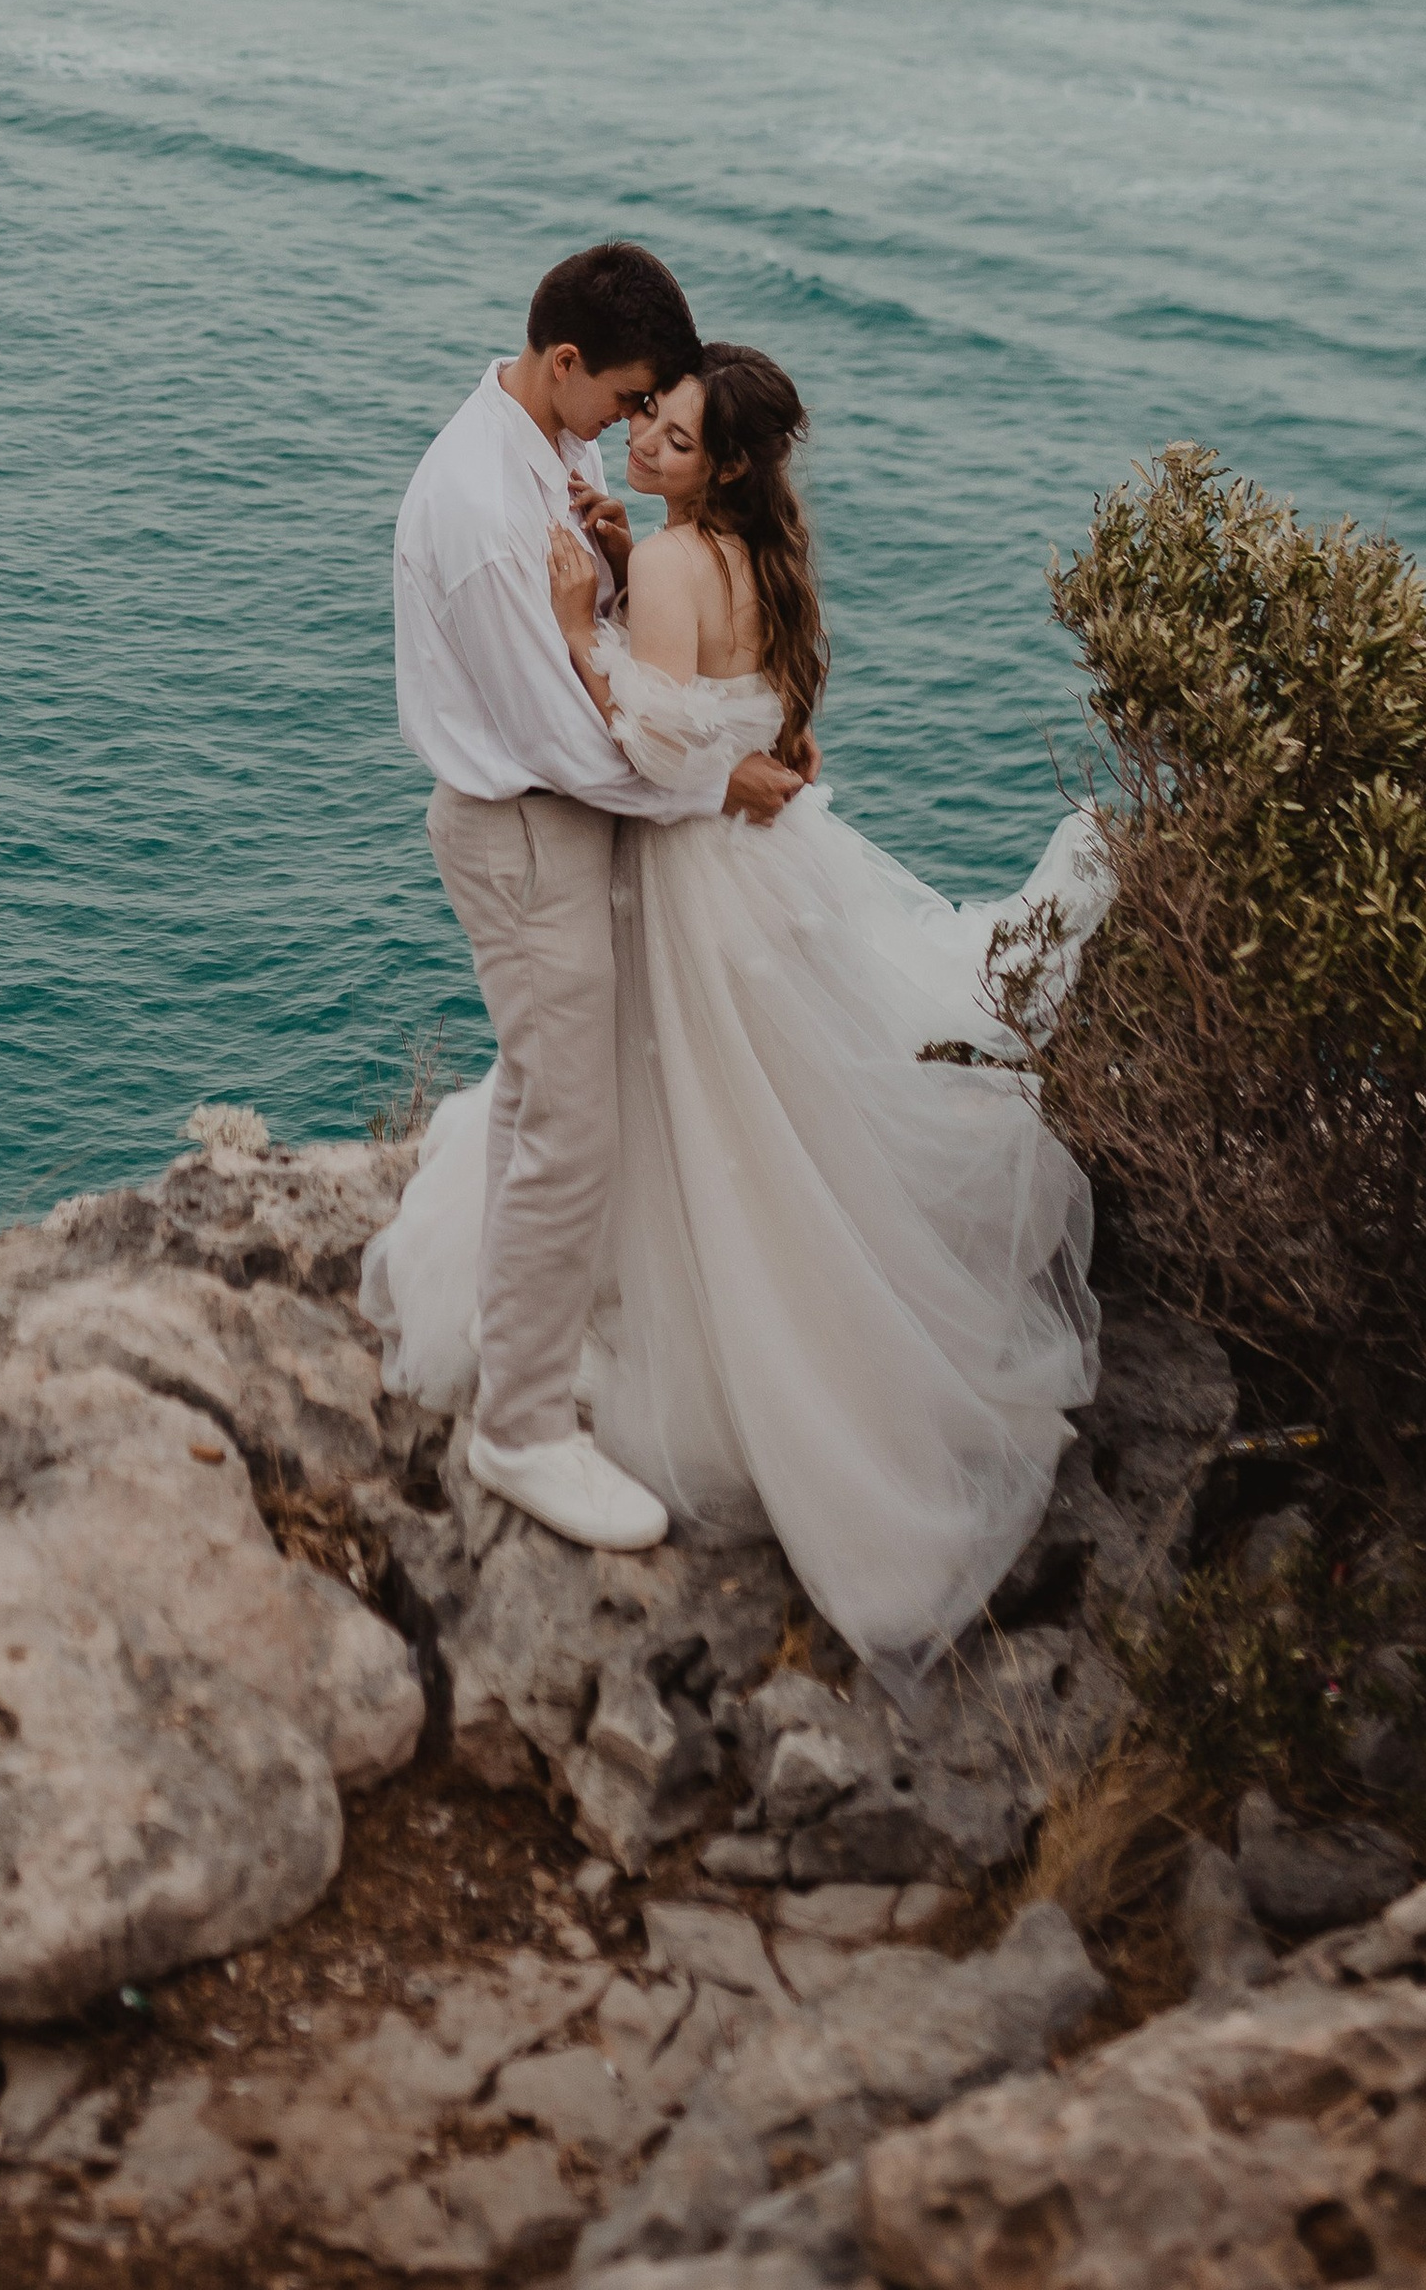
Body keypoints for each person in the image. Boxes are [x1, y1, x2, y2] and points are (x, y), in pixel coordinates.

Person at [365, 334, 1110, 1686]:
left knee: (678, 1092)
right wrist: (625, 556)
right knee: (764, 1102)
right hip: (769, 868)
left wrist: (577, 627)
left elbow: (651, 742)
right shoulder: (759, 559)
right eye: (648, 416)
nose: (642, 439)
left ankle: (678, 1337)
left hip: (687, 869)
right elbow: (739, 705)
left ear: (721, 466)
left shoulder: (672, 566)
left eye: (673, 435)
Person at [379, 248, 818, 1561]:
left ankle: (518, 1341)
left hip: (561, 819)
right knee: (573, 1131)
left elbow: (595, 670)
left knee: (542, 1104)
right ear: (565, 362)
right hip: (526, 827)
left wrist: (613, 571)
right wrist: (715, 783)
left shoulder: (539, 452)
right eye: (628, 399)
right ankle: (520, 1430)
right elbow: (561, 738)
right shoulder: (483, 505)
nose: (634, 426)